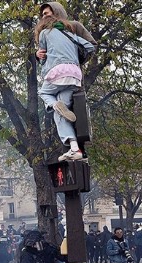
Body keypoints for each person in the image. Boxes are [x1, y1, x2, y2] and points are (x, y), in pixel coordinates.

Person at [35, 2, 96, 162]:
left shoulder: (45, 33)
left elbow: (43, 59)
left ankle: (54, 104)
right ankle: (75, 150)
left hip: (57, 73)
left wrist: (39, 56)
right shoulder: (71, 33)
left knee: (44, 92)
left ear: (57, 13)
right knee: (60, 114)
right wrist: (77, 58)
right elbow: (90, 47)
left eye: (47, 13)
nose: (44, 17)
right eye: (43, 15)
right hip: (75, 75)